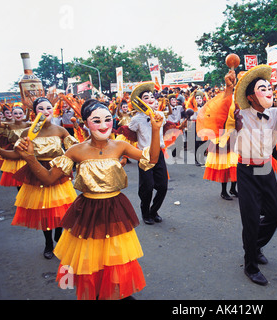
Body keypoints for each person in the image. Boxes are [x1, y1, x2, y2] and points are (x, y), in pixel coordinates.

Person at [14, 99, 163, 300]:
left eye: (108, 120)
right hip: (87, 211)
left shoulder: (120, 146)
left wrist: (155, 129)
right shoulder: (76, 150)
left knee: (115, 255)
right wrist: (31, 158)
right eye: (96, 120)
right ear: (85, 123)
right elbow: (49, 178)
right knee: (90, 257)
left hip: (115, 207)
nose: (103, 125)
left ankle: (116, 293)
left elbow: (151, 160)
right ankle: (98, 292)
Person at [207, 65, 277, 286]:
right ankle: (250, 265)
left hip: (266, 168)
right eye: (262, 88)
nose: (269, 91)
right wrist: (229, 89)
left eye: (269, 87)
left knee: (274, 214)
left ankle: (255, 245)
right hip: (246, 170)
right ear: (251, 96)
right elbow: (219, 116)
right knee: (250, 220)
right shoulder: (238, 113)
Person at [0, 97, 78, 259]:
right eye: (41, 109)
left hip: (57, 173)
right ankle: (48, 243)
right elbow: (16, 154)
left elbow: (75, 149)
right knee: (44, 211)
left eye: (48, 108)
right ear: (34, 113)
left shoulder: (60, 130)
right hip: (36, 174)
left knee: (60, 210)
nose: (46, 112)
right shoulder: (28, 132)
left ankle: (58, 238)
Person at [128, 82, 168, 225]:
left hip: (159, 153)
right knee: (147, 188)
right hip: (144, 155)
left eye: (152, 96)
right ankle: (145, 213)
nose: (151, 99)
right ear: (140, 102)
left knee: (163, 186)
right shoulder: (136, 119)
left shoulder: (161, 115)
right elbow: (130, 135)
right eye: (146, 97)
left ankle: (154, 211)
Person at [0, 104, 29, 188]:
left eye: (20, 113)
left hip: (26, 150)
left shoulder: (27, 124)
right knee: (16, 174)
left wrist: (29, 109)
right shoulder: (9, 124)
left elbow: (38, 123)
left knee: (27, 174)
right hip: (14, 150)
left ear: (23, 114)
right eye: (15, 113)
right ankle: (20, 189)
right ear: (12, 115)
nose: (18, 115)